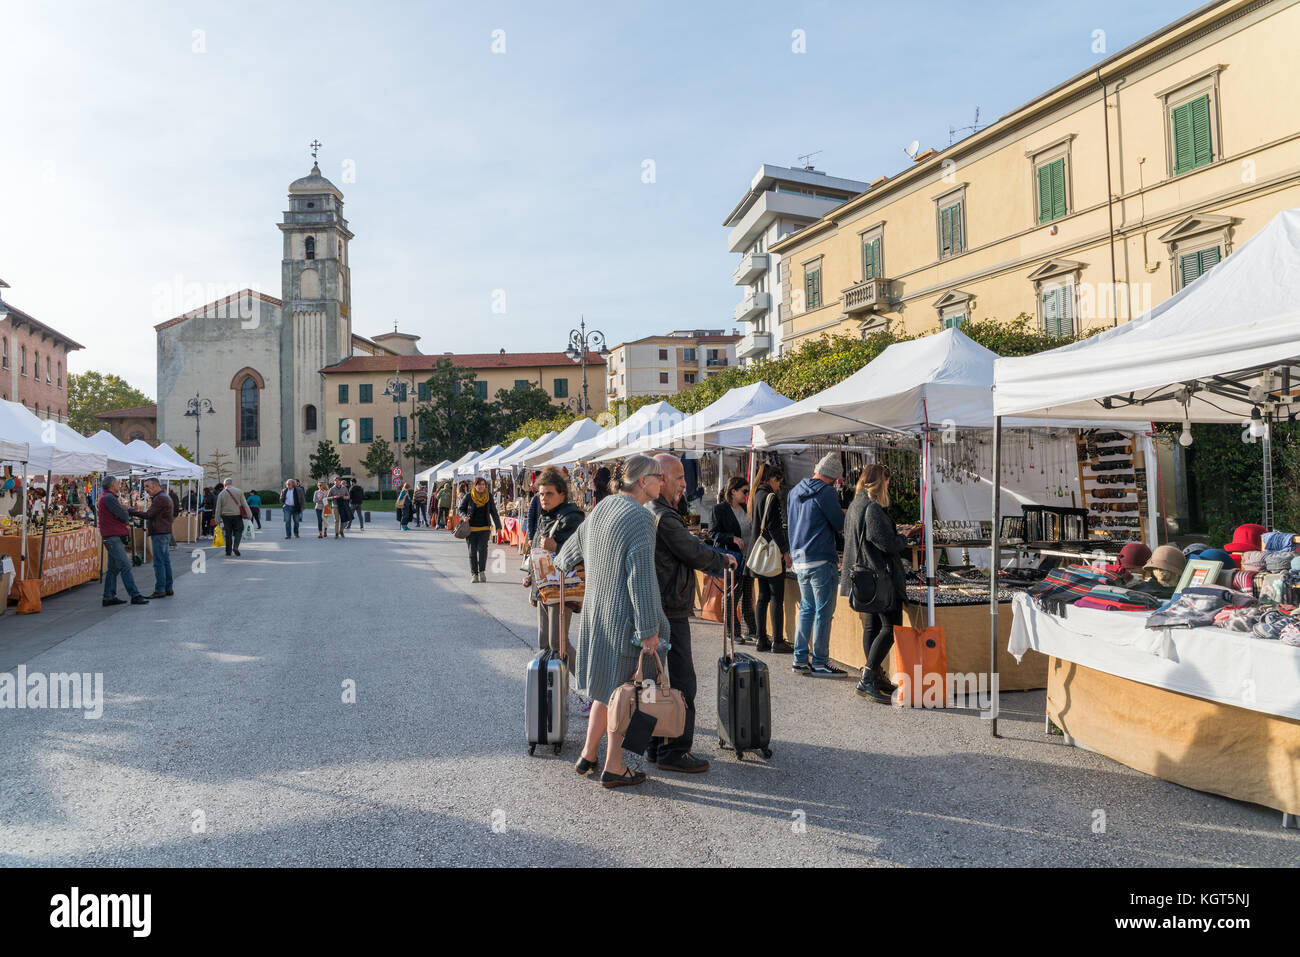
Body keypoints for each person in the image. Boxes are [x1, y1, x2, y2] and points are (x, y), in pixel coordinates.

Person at [556, 454, 670, 788]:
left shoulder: (602, 508)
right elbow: (642, 579)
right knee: (626, 696)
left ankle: (588, 755)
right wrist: (649, 630)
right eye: (658, 477)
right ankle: (614, 766)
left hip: (597, 616)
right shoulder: (641, 518)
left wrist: (561, 560)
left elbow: (568, 554)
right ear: (642, 481)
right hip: (624, 623)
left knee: (606, 692)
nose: (662, 482)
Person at [647, 453, 735, 773]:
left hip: (657, 606)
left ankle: (656, 745)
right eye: (679, 477)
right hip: (670, 608)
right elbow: (692, 551)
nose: (686, 483)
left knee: (653, 681)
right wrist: (723, 561)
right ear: (660, 479)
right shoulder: (664, 517)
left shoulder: (653, 511)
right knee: (683, 682)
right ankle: (676, 750)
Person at [842, 464, 916, 702]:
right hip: (878, 576)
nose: (888, 485)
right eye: (886, 481)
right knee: (890, 627)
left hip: (865, 575)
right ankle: (867, 678)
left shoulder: (856, 504)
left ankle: (874, 675)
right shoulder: (872, 508)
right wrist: (903, 538)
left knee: (872, 627)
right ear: (878, 482)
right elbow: (885, 543)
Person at [787, 452, 847, 677]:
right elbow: (839, 524)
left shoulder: (794, 491)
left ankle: (799, 659)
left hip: (800, 558)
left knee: (807, 609)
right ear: (833, 478)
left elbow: (792, 524)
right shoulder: (827, 492)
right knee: (823, 612)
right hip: (821, 558)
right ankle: (820, 662)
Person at [529, 466, 584, 677]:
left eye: (549, 493)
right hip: (545, 588)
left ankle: (589, 688)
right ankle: (552, 695)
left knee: (558, 642)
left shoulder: (572, 518)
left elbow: (581, 553)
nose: (544, 498)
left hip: (562, 589)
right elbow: (538, 553)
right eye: (541, 494)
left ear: (562, 494)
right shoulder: (545, 516)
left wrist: (557, 548)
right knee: (545, 643)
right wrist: (531, 579)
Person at [749, 463, 793, 654]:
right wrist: (785, 551)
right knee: (776, 597)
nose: (778, 486)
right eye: (778, 482)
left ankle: (760, 638)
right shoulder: (771, 497)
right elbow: (774, 527)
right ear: (773, 479)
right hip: (771, 553)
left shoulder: (755, 494)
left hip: (758, 553)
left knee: (762, 597)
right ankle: (777, 640)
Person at [709, 475, 759, 643]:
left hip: (749, 558)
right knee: (732, 595)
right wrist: (732, 538)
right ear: (733, 491)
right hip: (733, 558)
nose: (746, 494)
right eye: (744, 491)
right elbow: (712, 534)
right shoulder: (719, 509)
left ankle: (751, 630)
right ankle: (733, 632)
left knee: (747, 595)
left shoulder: (747, 507)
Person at [97, 476, 148, 607]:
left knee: (113, 568)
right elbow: (123, 515)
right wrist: (124, 511)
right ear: (113, 484)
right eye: (117, 483)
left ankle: (108, 596)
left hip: (111, 535)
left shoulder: (106, 497)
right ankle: (134, 595)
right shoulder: (109, 498)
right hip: (112, 536)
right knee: (125, 565)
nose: (119, 485)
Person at [128, 476, 175, 599]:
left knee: (159, 562)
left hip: (159, 533)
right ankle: (167, 587)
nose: (146, 490)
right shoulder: (163, 496)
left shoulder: (160, 498)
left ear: (155, 485)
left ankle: (160, 589)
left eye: (147, 487)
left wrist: (130, 510)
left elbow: (148, 515)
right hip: (163, 532)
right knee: (165, 561)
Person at [458, 476, 500, 583]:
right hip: (471, 529)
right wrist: (464, 517)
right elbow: (461, 509)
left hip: (485, 528)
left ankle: (482, 571)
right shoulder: (469, 496)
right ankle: (474, 574)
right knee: (472, 552)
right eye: (479, 484)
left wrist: (498, 526)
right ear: (475, 485)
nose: (481, 487)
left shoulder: (489, 496)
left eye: (483, 484)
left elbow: (494, 512)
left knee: (482, 550)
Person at [214, 478, 252, 557]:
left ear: (225, 485)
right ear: (232, 483)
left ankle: (228, 551)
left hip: (225, 516)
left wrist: (217, 519)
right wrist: (249, 515)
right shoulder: (239, 491)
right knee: (239, 530)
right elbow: (244, 504)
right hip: (237, 515)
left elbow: (218, 508)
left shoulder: (221, 494)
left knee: (228, 533)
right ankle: (235, 546)